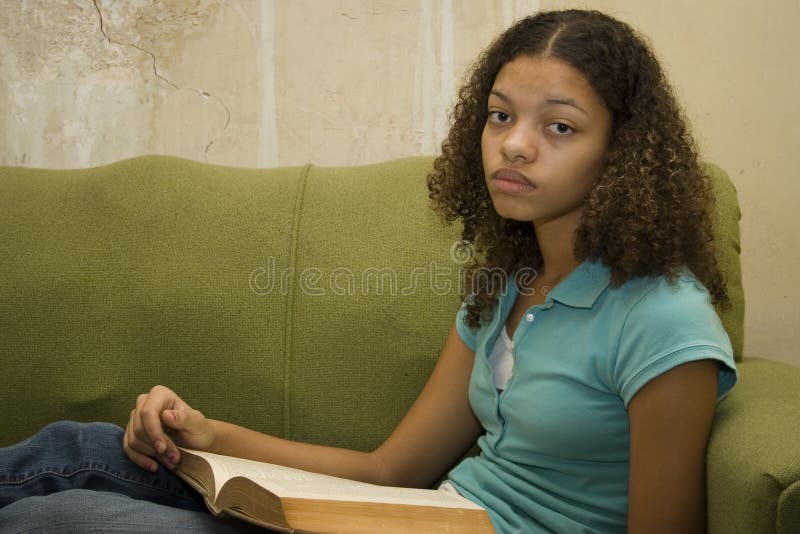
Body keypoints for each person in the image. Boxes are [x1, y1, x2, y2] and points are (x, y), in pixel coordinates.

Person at [0, 9, 737, 533]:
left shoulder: (663, 320)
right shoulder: (504, 287)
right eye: (500, 115)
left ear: (624, 153)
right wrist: (207, 433)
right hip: (411, 517)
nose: (514, 146)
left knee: (53, 518)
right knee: (79, 447)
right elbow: (390, 471)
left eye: (560, 126)